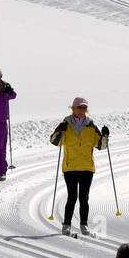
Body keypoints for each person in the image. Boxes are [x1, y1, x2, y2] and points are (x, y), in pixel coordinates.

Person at [50, 97, 109, 235]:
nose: (82, 110)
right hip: (70, 167)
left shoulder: (91, 126)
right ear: (73, 108)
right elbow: (55, 142)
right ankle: (66, 225)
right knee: (72, 197)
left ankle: (84, 225)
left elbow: (101, 146)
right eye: (79, 107)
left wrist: (105, 136)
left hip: (87, 168)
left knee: (84, 197)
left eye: (84, 108)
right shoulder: (66, 124)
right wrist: (58, 130)